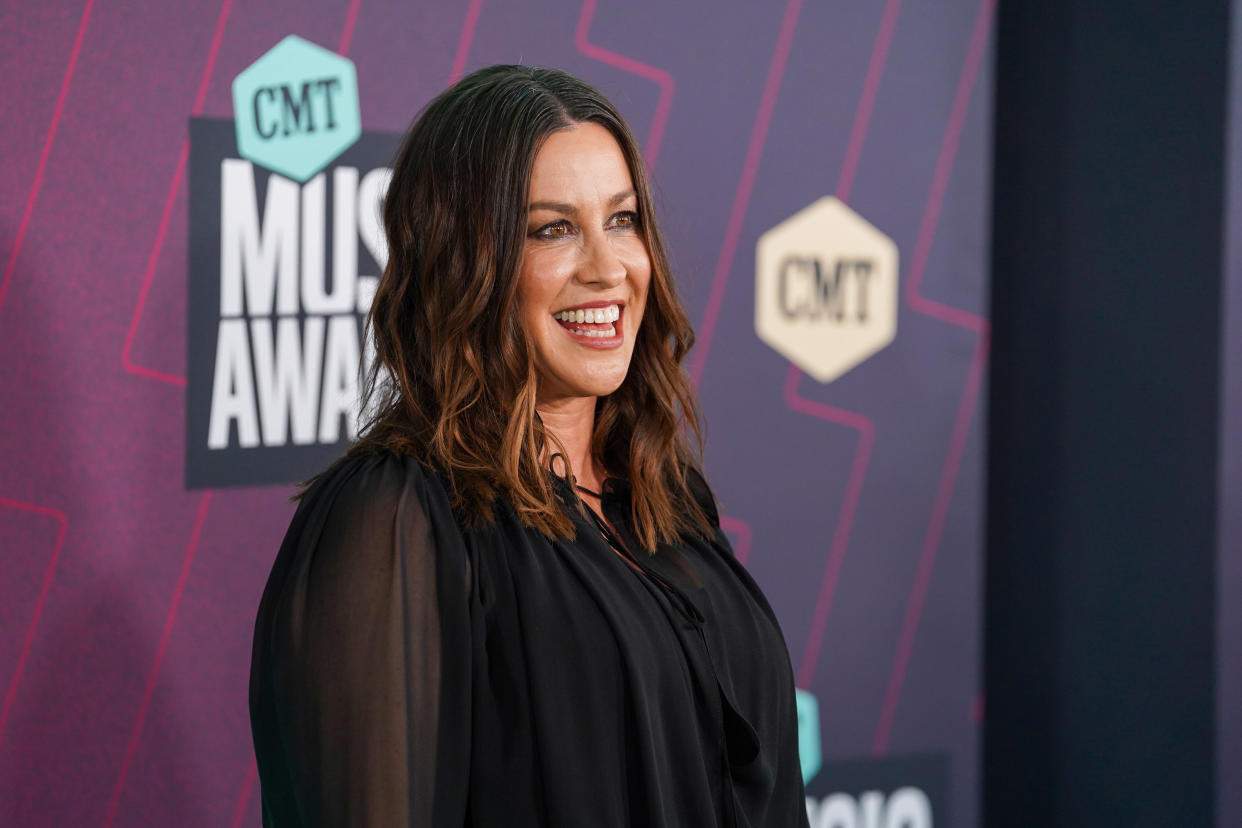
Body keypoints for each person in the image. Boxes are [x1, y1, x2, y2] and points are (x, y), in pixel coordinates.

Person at [249, 64, 810, 827]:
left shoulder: (662, 497)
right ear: (463, 264)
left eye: (622, 220)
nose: (608, 269)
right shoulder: (393, 521)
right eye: (553, 230)